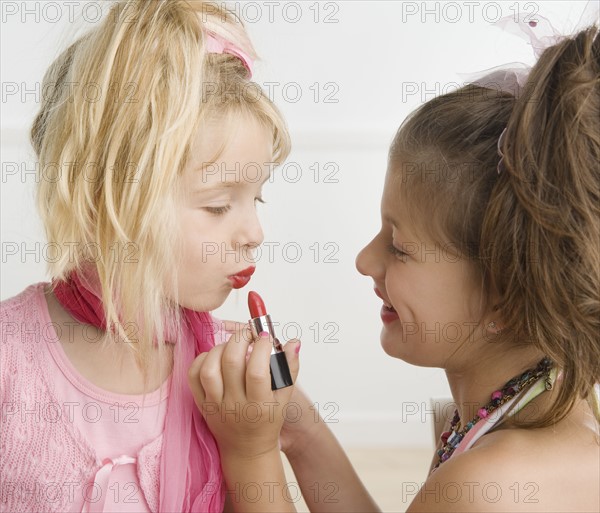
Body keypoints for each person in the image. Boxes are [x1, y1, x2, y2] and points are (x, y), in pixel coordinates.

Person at [189, 16, 600, 513]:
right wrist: (298, 430)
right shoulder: (534, 399)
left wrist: (250, 451)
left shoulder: (490, 487)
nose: (365, 261)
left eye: (400, 248)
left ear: (508, 296)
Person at [0, 1, 299, 512]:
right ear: (105, 199)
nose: (254, 233)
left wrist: (258, 446)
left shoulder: (234, 378)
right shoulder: (11, 360)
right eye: (218, 205)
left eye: (257, 198)